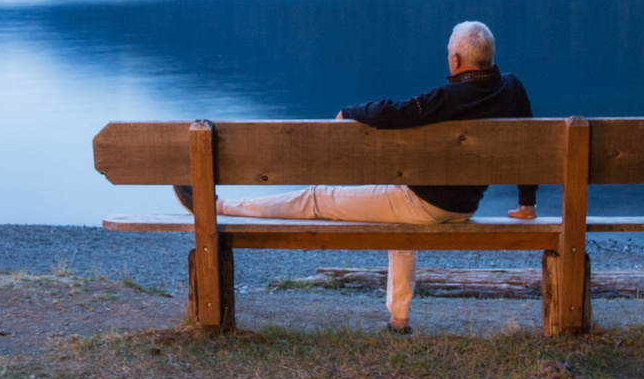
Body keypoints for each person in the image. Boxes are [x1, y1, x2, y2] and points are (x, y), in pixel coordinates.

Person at [175, 20, 535, 334]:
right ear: (489, 57)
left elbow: (396, 113)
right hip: (464, 205)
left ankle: (218, 205)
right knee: (401, 229)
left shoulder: (449, 96)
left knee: (316, 198)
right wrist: (527, 204)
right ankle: (398, 321)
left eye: (448, 55)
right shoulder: (514, 88)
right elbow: (529, 149)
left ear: (455, 60)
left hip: (423, 202)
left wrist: (351, 112)